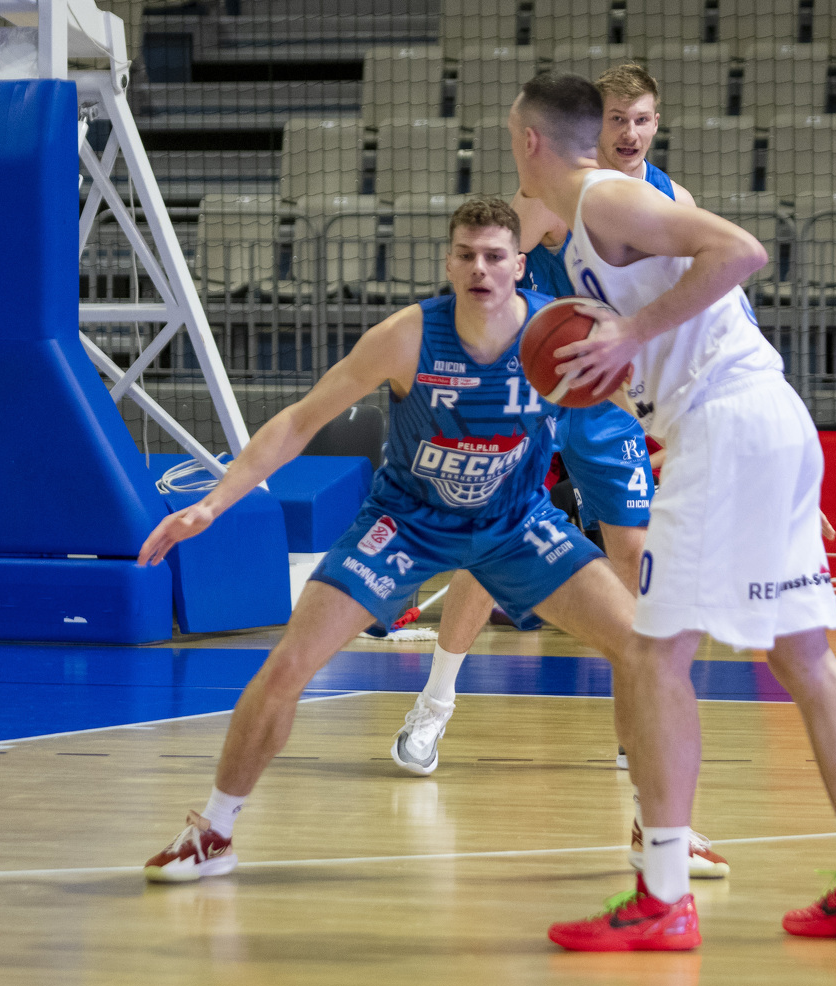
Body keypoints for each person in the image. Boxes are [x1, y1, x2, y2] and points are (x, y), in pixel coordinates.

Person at [507, 71, 836, 951]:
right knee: (803, 656)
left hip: (730, 424)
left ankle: (661, 895)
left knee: (652, 656)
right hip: (754, 424)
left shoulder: (607, 199)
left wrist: (632, 334)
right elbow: (670, 336)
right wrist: (627, 376)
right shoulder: (583, 228)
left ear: (529, 141)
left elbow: (741, 250)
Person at [137, 198, 640, 884]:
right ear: (448, 263)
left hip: (516, 523)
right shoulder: (407, 336)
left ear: (520, 266)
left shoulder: (558, 333)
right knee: (287, 665)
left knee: (642, 648)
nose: (480, 268)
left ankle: (662, 829)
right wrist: (212, 503)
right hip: (407, 522)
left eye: (495, 256)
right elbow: (300, 421)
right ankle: (214, 833)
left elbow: (649, 403)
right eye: (466, 255)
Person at [387, 63, 730, 882]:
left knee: (631, 555)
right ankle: (435, 703)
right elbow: (492, 263)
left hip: (609, 397)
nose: (629, 133)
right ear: (590, 128)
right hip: (533, 383)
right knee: (494, 546)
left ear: (657, 124)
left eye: (642, 119)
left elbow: (691, 302)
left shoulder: (669, 200)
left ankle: (633, 738)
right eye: (616, 119)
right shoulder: (554, 198)